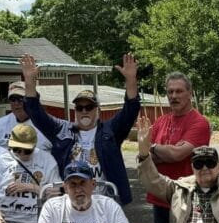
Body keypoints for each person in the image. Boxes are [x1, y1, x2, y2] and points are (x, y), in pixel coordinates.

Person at [20, 53, 141, 205]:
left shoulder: (110, 130)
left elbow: (131, 108)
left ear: (98, 110)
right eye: (79, 107)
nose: (84, 111)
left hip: (105, 201)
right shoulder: (61, 129)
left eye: (89, 107)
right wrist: (30, 80)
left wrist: (131, 79)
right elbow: (34, 111)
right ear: (75, 110)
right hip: (69, 201)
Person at [147, 72, 212, 223]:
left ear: (190, 93)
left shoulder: (199, 122)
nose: (174, 96)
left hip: (187, 197)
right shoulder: (160, 121)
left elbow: (177, 154)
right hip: (160, 197)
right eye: (170, 92)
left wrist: (156, 149)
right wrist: (160, 151)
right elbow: (144, 155)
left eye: (179, 91)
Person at [0, 81, 53, 153]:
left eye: (20, 99)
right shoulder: (0, 124)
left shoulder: (47, 124)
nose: (16, 103)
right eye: (13, 99)